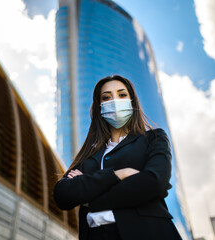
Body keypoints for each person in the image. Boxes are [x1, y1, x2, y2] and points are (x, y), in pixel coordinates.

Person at [53, 75, 182, 240]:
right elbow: (63, 195)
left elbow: (154, 182)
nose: (114, 101)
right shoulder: (89, 155)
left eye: (122, 95)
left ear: (132, 102)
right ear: (99, 106)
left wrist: (90, 198)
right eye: (106, 97)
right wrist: (119, 174)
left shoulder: (154, 138)